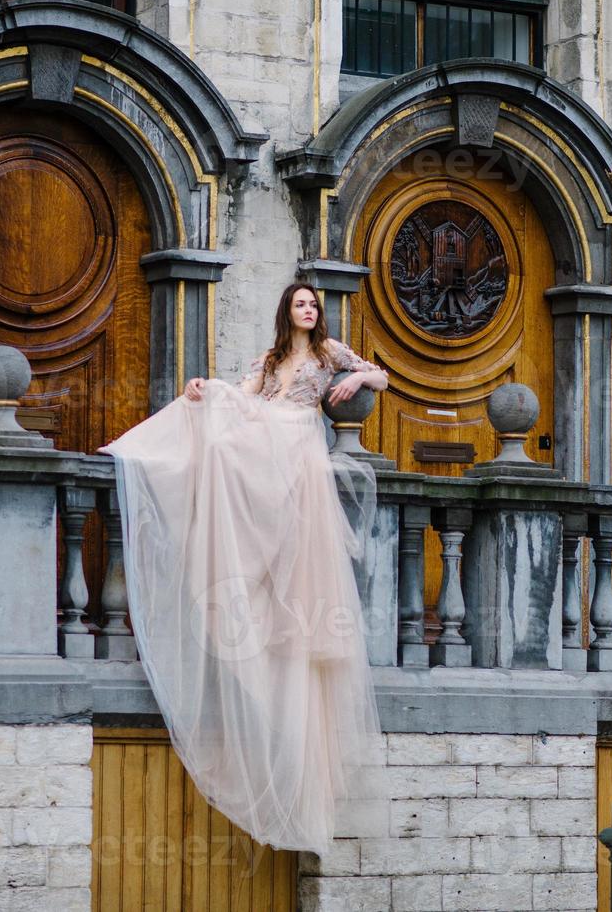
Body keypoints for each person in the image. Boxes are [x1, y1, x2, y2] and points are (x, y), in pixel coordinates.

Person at [98, 283, 389, 855]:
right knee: (221, 436)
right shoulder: (272, 358)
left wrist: (356, 379)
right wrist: (206, 393)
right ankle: (172, 475)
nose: (308, 310)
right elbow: (246, 393)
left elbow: (381, 376)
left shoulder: (330, 353)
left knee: (268, 497)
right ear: (287, 311)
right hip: (269, 430)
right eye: (300, 304)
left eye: (313, 305)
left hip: (298, 441)